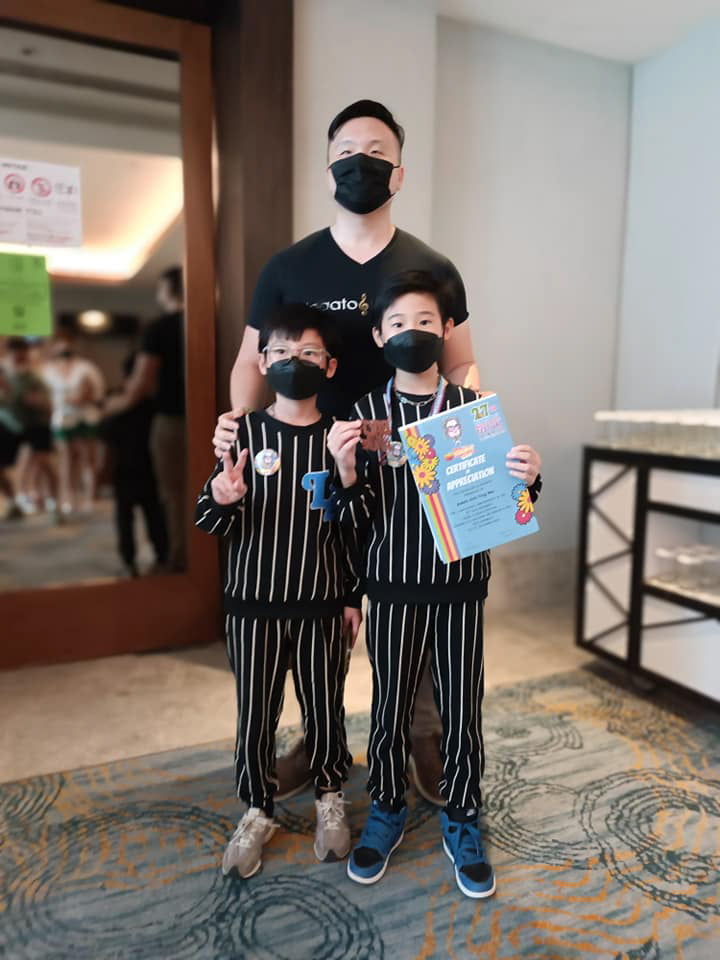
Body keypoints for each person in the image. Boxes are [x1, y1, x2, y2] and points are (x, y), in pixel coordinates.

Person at [212, 99, 481, 803]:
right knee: (321, 604)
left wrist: (471, 427)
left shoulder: (433, 267)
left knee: (421, 598)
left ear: (399, 172)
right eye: (346, 150)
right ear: (329, 166)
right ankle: (320, 735)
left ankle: (423, 731)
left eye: (377, 150)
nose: (361, 160)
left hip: (410, 464)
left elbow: (462, 364)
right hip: (313, 468)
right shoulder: (288, 266)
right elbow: (249, 361)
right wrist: (239, 430)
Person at [327, 271, 542, 898]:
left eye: (425, 321)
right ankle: (386, 806)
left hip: (460, 587)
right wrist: (345, 472)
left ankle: (463, 813)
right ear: (378, 335)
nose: (411, 332)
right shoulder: (363, 415)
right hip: (391, 586)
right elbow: (353, 519)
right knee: (389, 704)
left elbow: (507, 503)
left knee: (460, 705)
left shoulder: (473, 410)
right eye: (398, 323)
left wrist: (527, 478)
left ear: (447, 329)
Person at [195, 303, 363, 879]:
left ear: (330, 365)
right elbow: (207, 518)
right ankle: (257, 808)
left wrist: (352, 596)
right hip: (252, 605)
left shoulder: (341, 437)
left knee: (325, 707)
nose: (295, 361)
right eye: (283, 352)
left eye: (309, 352)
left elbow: (356, 528)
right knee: (255, 712)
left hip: (322, 604)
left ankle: (330, 796)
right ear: (263, 362)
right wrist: (223, 496)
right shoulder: (241, 432)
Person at [110, 267, 186, 571]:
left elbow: (140, 386)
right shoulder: (211, 320)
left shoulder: (159, 328)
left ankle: (181, 560)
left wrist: (110, 407)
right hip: (212, 418)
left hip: (171, 419)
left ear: (167, 290)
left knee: (173, 494)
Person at [100, 354, 169, 577]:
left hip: (126, 472)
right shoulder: (157, 408)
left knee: (127, 517)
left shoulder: (116, 409)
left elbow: (108, 449)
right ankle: (160, 556)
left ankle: (129, 561)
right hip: (147, 470)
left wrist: (103, 474)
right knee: (153, 514)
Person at [43, 330, 105, 515]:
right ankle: (68, 497)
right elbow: (46, 397)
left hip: (86, 416)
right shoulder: (48, 371)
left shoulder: (85, 367)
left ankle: (90, 496)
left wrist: (84, 396)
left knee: (87, 456)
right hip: (63, 418)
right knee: (66, 458)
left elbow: (97, 392)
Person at [3, 338, 59, 519]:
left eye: (21, 354)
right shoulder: (4, 373)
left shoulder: (35, 375)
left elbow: (47, 402)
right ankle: (14, 502)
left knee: (43, 461)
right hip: (10, 423)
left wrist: (38, 401)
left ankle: (54, 504)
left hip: (36, 423)